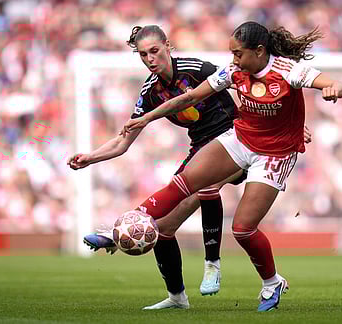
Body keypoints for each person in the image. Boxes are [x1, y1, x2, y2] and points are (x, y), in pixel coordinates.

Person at [122, 21, 342, 312]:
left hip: (274, 155)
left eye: (238, 54)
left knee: (242, 229)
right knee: (184, 182)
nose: (234, 60)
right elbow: (190, 97)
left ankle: (271, 282)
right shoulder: (234, 71)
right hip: (239, 139)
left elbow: (338, 84)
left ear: (259, 51)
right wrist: (146, 118)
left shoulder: (289, 70)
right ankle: (129, 221)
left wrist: (332, 90)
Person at [68, 25, 248, 310]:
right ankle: (177, 297)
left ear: (168, 46)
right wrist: (90, 157)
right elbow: (123, 141)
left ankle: (211, 263)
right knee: (162, 227)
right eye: (143, 55)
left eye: (155, 51)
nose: (150, 59)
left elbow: (245, 82)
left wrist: (282, 123)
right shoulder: (151, 92)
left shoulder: (196, 69)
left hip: (236, 141)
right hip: (201, 150)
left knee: (206, 184)